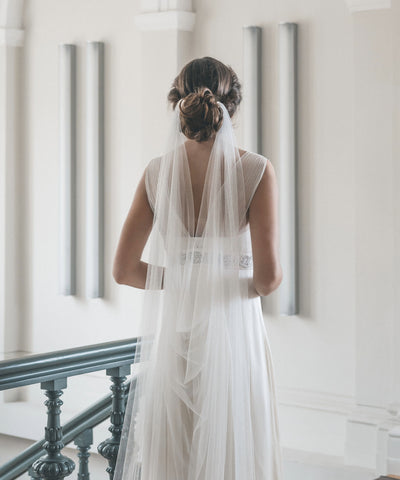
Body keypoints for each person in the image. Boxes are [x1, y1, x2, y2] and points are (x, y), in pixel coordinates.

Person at [112, 56, 283, 480]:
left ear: (179, 101)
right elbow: (267, 278)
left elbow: (124, 270)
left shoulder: (156, 173)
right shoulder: (256, 170)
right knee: (235, 450)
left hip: (178, 336)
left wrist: (189, 278)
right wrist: (219, 279)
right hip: (233, 336)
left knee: (176, 456)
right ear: (233, 103)